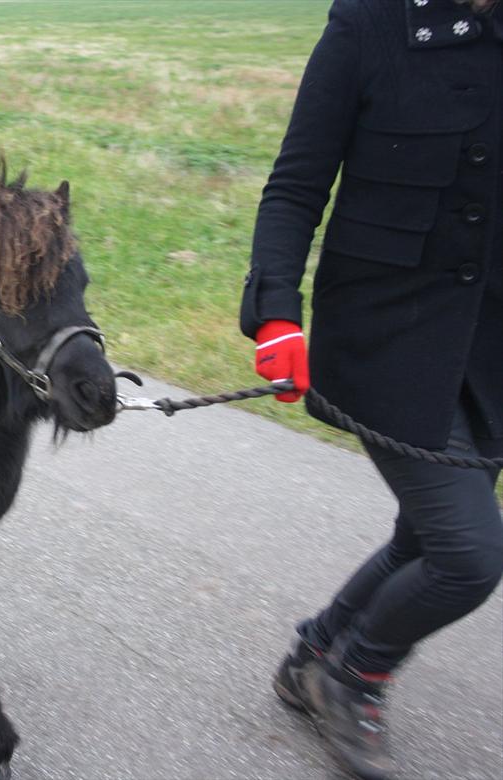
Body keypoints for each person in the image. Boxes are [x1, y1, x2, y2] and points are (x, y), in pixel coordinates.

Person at [240, 0, 502, 777]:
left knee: (424, 538)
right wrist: (277, 315)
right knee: (469, 555)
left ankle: (313, 654)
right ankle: (354, 676)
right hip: (386, 339)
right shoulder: (370, 26)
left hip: (489, 353)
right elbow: (295, 186)